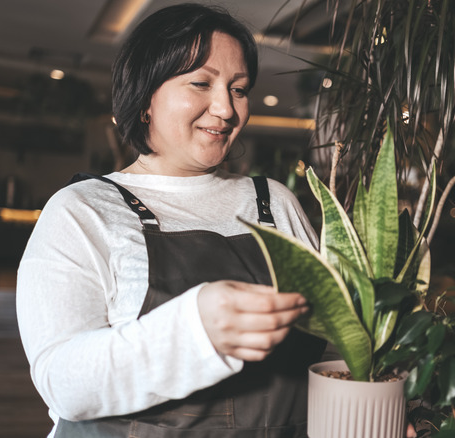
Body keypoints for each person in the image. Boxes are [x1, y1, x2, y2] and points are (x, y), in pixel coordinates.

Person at [16, 4, 326, 437]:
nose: (226, 108)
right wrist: (196, 329)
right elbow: (62, 383)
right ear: (145, 100)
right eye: (201, 83)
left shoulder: (273, 201)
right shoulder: (82, 210)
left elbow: (330, 346)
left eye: (238, 89)